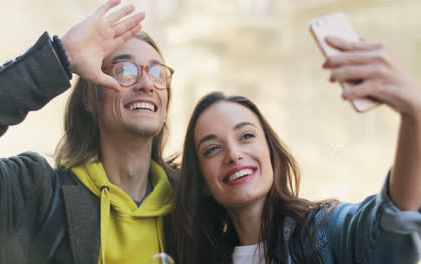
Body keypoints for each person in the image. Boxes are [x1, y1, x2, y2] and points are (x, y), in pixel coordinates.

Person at [0, 0, 178, 263]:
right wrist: (61, 57)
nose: (146, 83)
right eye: (125, 70)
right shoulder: (35, 195)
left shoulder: (193, 202)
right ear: (89, 99)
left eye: (156, 72)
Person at [173, 36, 421, 263]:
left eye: (246, 135)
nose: (234, 154)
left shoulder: (323, 231)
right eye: (213, 149)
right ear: (202, 182)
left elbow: (392, 224)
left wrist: (414, 116)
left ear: (271, 153)